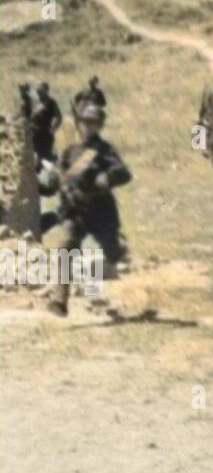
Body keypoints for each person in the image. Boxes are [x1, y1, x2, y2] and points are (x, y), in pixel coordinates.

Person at [39, 103, 132, 317]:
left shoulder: (104, 150)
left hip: (101, 214)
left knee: (113, 253)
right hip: (76, 212)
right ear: (79, 124)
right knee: (64, 249)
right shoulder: (70, 152)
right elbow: (59, 180)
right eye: (84, 122)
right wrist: (50, 180)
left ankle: (119, 250)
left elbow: (124, 173)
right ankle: (59, 301)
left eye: (92, 123)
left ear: (99, 125)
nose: (87, 126)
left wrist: (106, 178)